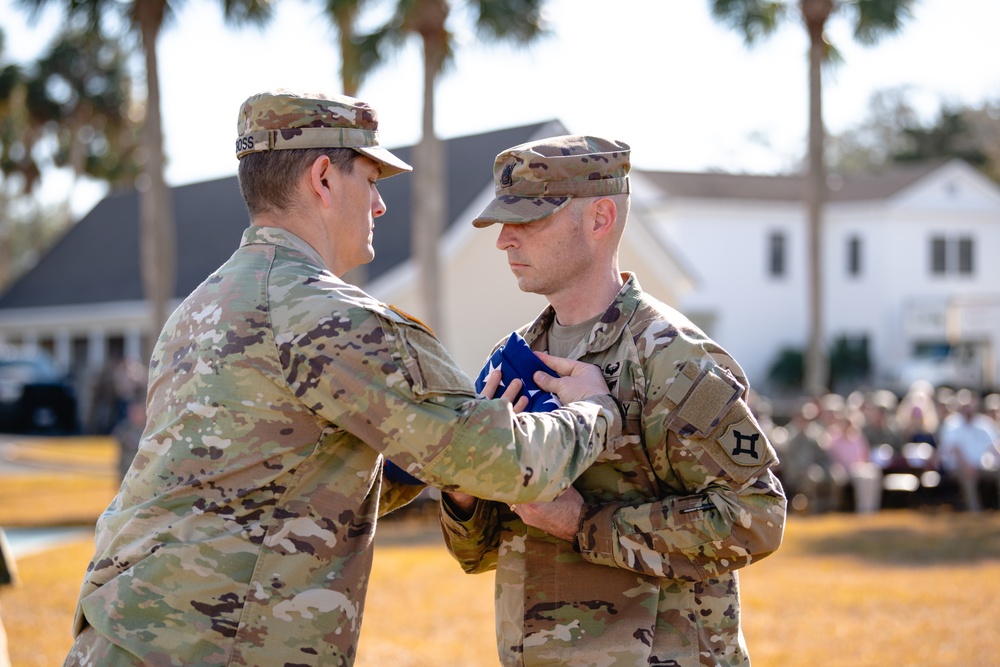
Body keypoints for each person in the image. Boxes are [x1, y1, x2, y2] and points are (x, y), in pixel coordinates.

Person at [64, 92, 627, 667]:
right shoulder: (333, 317)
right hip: (216, 646)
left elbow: (276, 480)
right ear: (324, 178)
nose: (380, 205)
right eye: (372, 179)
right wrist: (591, 411)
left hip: (125, 635)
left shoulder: (203, 306)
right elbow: (513, 464)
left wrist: (429, 457)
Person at [438, 135, 786, 666]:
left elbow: (756, 516)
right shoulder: (517, 356)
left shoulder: (671, 359)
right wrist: (464, 493)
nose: (504, 240)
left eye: (528, 219)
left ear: (600, 218)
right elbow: (480, 552)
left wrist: (586, 524)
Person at [936, 390, 1000, 512]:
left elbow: (994, 445)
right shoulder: (952, 424)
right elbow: (953, 449)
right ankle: (975, 513)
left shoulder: (985, 423)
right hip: (959, 467)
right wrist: (966, 466)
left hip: (982, 466)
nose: (968, 408)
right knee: (967, 477)